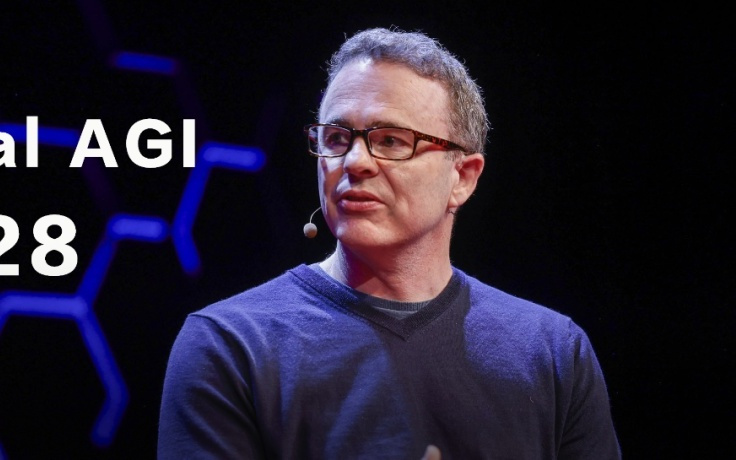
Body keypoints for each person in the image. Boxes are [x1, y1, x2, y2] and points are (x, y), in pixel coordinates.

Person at [158, 28, 621, 459]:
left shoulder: (552, 351)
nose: (354, 162)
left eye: (392, 141)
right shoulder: (229, 345)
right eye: (336, 138)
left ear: (462, 177)